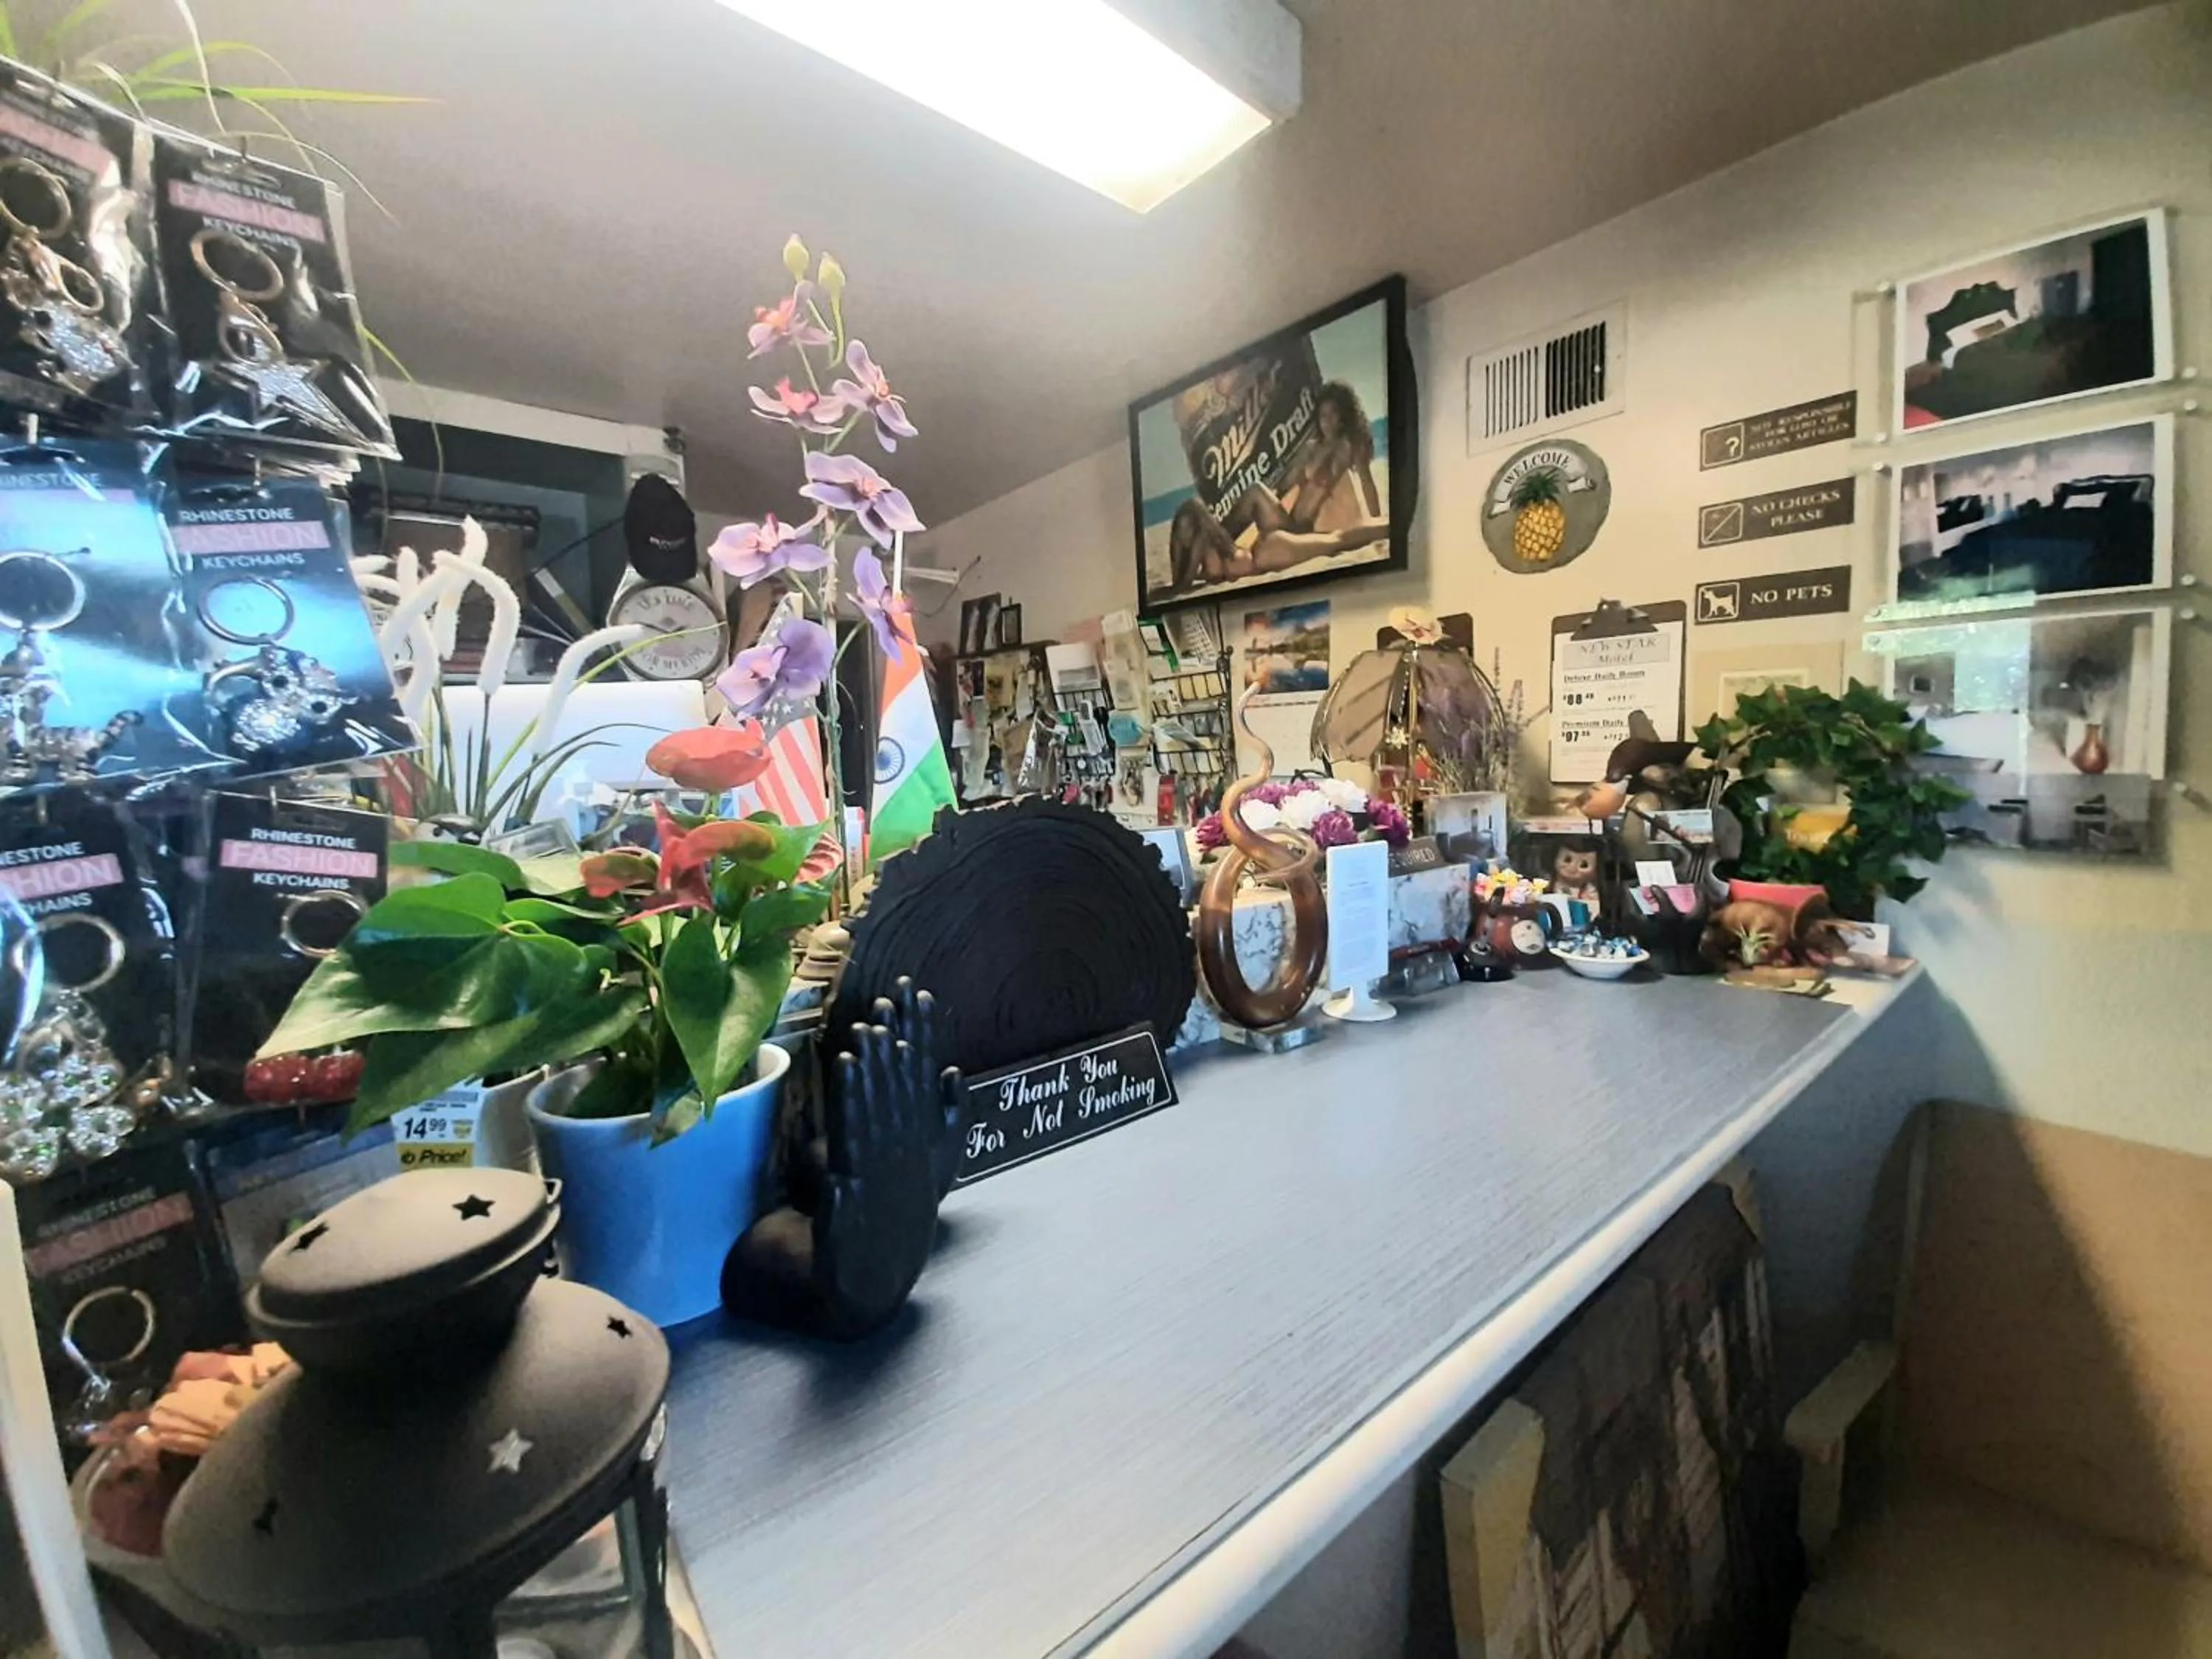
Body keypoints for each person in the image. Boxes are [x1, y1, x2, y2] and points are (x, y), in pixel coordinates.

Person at [1169, 382, 1387, 592]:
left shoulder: (1347, 446)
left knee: (1214, 510)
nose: (1327, 421)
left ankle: (1215, 541)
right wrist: (1284, 483)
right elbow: (1284, 487)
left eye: (1333, 414)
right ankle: (1220, 538)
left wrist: (1376, 520)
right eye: (1322, 415)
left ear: (1344, 416)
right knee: (1255, 490)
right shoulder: (1311, 448)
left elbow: (1367, 483)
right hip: (1289, 522)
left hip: (1304, 531)